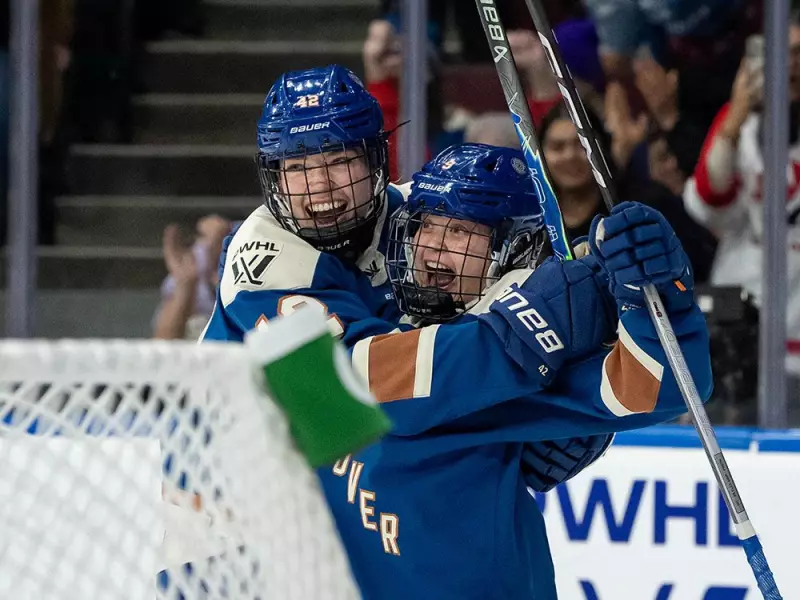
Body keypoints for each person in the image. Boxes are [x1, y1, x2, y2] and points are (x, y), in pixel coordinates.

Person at [202, 66, 713, 599]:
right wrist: (532, 324)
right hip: (232, 529)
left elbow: (664, 387)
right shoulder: (269, 260)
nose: (320, 188)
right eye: (298, 167)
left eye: (338, 161)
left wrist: (640, 290)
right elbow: (353, 392)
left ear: (376, 163)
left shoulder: (423, 257)